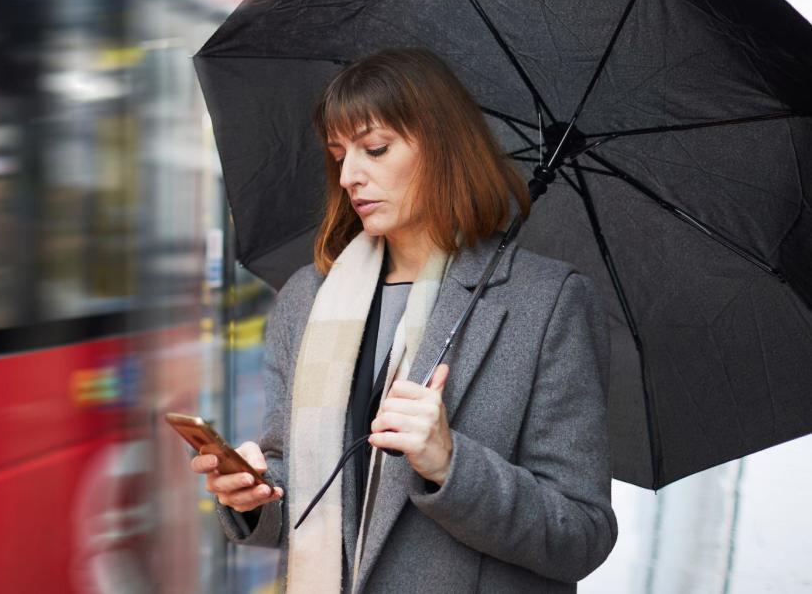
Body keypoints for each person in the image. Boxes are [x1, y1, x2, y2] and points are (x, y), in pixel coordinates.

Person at [189, 48, 616, 593]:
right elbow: (296, 494)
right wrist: (251, 493)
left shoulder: (548, 302)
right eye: (339, 154)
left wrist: (449, 462)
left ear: (442, 149)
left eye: (375, 149)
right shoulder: (308, 298)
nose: (348, 175)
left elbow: (582, 535)